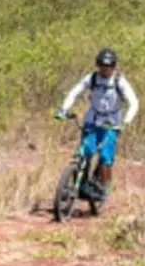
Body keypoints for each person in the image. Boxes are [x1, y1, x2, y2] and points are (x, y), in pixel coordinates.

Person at [55, 48, 139, 200]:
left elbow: (133, 103)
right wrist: (64, 109)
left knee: (106, 156)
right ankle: (80, 184)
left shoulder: (119, 81)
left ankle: (103, 188)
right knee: (86, 151)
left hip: (111, 123)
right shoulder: (92, 78)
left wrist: (126, 122)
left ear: (113, 67)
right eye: (101, 66)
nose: (104, 70)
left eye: (107, 67)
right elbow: (75, 92)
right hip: (93, 119)